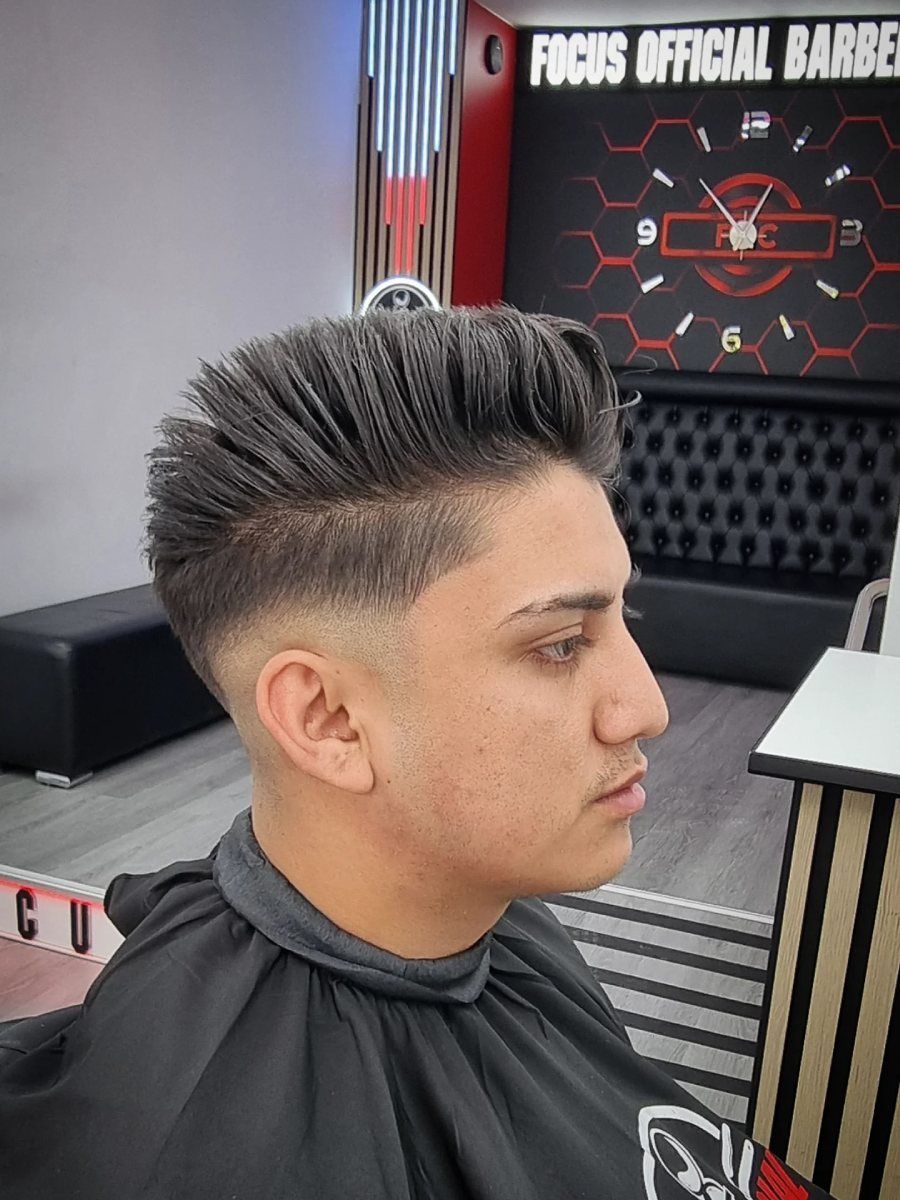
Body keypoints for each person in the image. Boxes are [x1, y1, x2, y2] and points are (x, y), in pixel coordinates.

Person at [0, 306, 833, 1199]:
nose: (649, 708)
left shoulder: (495, 914)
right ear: (327, 719)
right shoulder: (214, 1161)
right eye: (559, 643)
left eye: (619, 616)